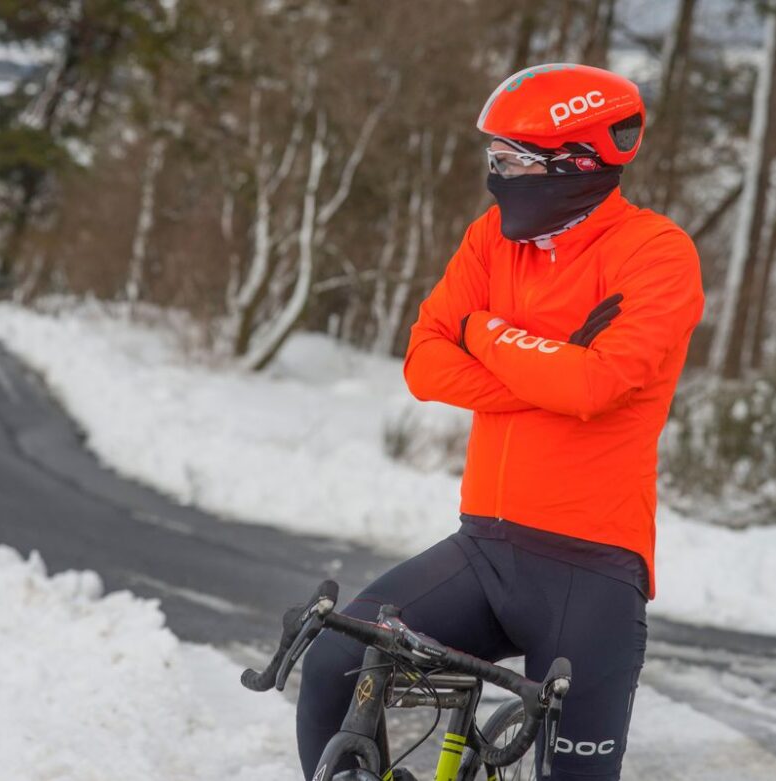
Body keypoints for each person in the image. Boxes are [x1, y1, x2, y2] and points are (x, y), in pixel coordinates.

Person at [296, 63, 704, 780]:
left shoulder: (656, 253)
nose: (497, 177)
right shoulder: (492, 239)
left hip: (590, 572)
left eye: (514, 160)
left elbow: (596, 383)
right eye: (495, 157)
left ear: (579, 161)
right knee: (335, 658)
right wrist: (548, 370)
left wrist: (482, 331)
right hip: (481, 550)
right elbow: (424, 363)